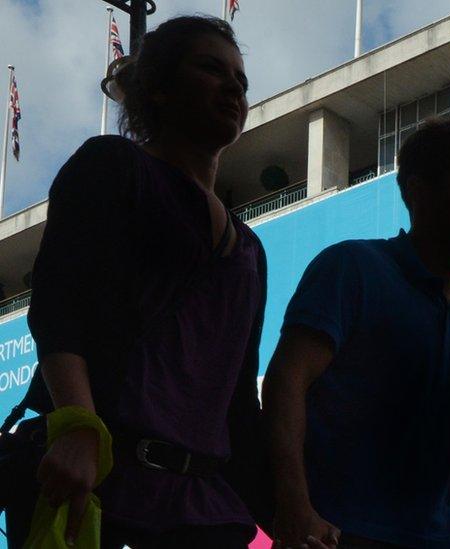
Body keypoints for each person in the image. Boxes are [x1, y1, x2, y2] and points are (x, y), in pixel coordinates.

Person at [15, 15, 268, 548]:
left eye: (241, 81)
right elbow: (59, 307)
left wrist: (296, 516)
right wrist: (79, 428)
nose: (232, 88)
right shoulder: (113, 165)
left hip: (201, 511)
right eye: (210, 69)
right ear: (158, 88)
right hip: (99, 483)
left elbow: (239, 404)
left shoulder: (251, 251)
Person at [263, 118, 450, 549]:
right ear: (417, 191)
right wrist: (294, 507)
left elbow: (437, 459)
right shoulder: (351, 269)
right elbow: (285, 384)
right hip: (341, 537)